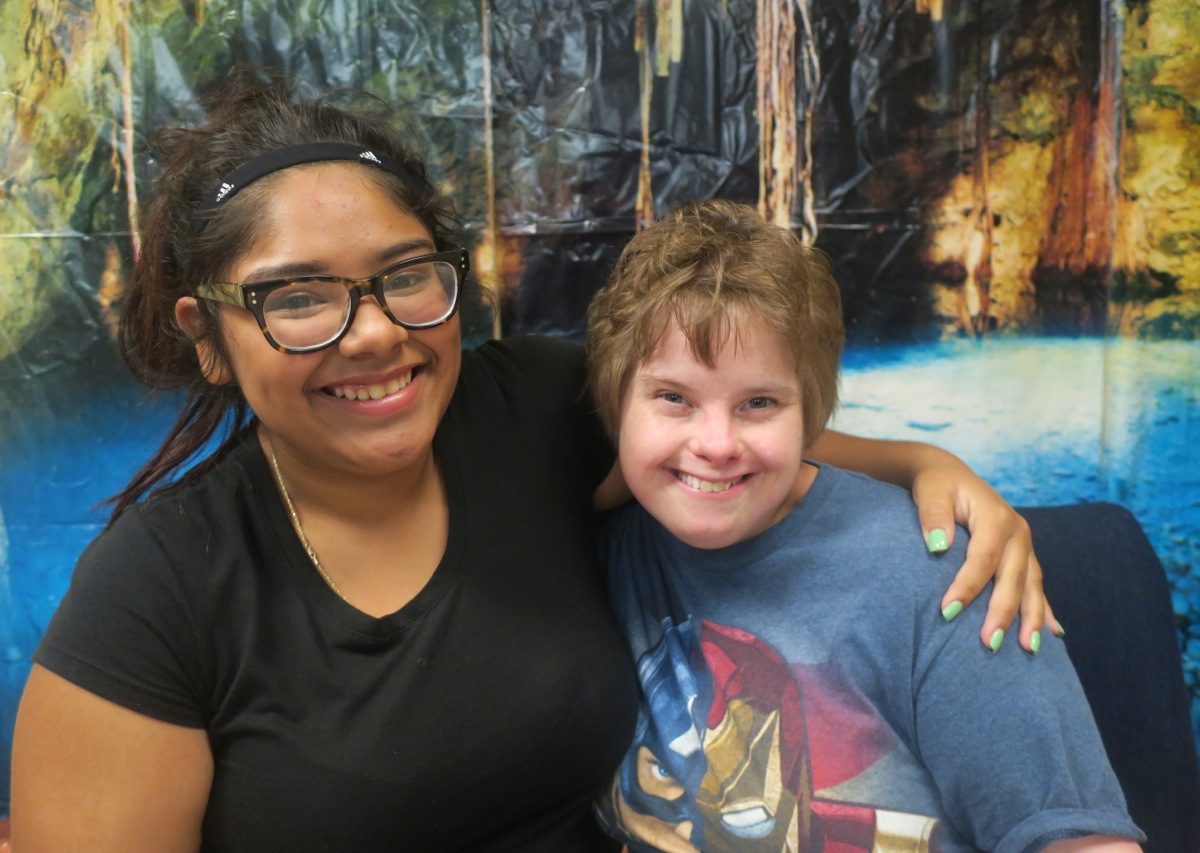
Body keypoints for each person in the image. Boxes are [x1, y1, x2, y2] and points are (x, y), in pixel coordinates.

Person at [12, 70, 1047, 851]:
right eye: (299, 297)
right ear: (208, 336)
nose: (373, 333)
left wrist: (926, 467)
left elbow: (742, 443)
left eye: (405, 276)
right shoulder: (155, 592)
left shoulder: (538, 411)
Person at [586, 201, 1143, 852]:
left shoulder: (945, 576)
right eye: (674, 398)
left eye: (759, 402)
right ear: (615, 404)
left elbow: (1084, 844)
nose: (716, 444)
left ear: (809, 411)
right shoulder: (594, 548)